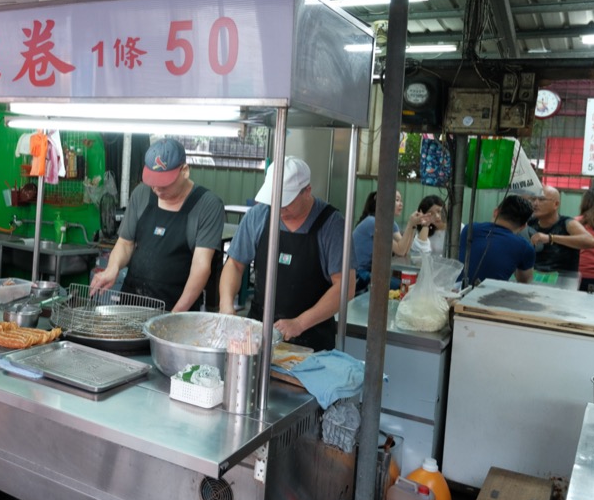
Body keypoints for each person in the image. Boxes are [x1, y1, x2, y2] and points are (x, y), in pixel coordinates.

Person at [218, 157, 353, 351]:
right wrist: (226, 303)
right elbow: (235, 264)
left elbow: (345, 286)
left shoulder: (332, 225)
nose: (279, 209)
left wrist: (299, 323)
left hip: (311, 342)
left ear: (307, 191)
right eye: (275, 202)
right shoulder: (259, 215)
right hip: (259, 334)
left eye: (286, 202)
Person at [89, 138, 224, 312]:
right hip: (131, 303)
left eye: (164, 183)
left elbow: (201, 265)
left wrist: (176, 315)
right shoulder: (142, 194)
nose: (157, 189)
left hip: (176, 307)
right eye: (153, 182)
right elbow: (125, 243)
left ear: (184, 171)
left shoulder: (207, 205)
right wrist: (113, 268)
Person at [352, 190, 427, 293]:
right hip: (358, 274)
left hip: (371, 272)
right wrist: (410, 223)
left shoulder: (391, 223)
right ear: (383, 202)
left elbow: (404, 250)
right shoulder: (373, 222)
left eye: (401, 200)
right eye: (397, 200)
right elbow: (400, 250)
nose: (401, 203)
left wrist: (414, 225)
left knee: (407, 285)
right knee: (403, 286)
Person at [459, 194, 536, 285]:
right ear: (523, 226)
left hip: (456, 292)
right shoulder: (525, 247)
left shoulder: (469, 229)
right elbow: (524, 280)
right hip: (490, 297)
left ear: (496, 212)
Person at [527, 186, 594, 272]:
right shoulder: (529, 223)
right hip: (534, 278)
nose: (535, 203)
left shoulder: (567, 223)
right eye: (533, 199)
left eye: (541, 199)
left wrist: (550, 238)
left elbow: (591, 241)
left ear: (556, 204)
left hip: (562, 280)